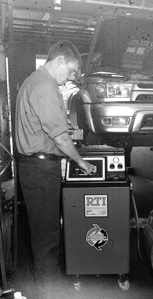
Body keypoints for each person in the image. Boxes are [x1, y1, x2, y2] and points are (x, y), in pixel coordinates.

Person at [15, 40, 95, 278]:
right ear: (59, 60)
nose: (70, 77)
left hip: (35, 167)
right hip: (40, 170)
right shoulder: (44, 87)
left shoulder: (35, 82)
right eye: (71, 70)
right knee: (47, 237)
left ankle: (48, 284)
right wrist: (80, 161)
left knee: (44, 233)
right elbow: (60, 137)